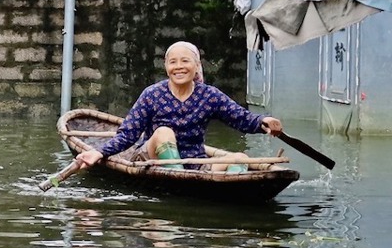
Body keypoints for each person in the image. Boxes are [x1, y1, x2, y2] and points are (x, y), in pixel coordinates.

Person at [74, 41, 283, 173]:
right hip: (152, 159)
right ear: (166, 67)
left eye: (185, 61)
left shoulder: (209, 95)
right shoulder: (152, 94)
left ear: (196, 66)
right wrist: (99, 153)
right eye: (173, 62)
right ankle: (178, 175)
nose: (179, 67)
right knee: (164, 132)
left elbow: (241, 118)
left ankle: (231, 191)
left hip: (194, 162)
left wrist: (263, 122)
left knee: (241, 158)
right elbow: (128, 135)